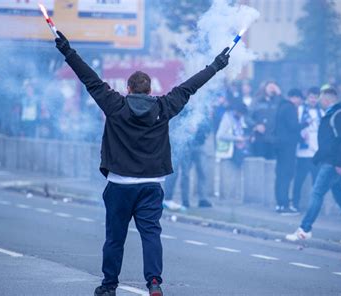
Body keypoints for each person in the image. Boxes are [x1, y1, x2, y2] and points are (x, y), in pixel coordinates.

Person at [54, 31, 230, 296]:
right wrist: (216, 65)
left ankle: (109, 285)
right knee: (151, 235)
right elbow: (190, 86)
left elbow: (89, 79)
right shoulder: (163, 107)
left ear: (128, 89)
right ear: (150, 91)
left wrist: (67, 51)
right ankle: (154, 283)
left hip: (119, 185)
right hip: (152, 184)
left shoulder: (115, 104)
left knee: (115, 238)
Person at [286, 88, 341, 244]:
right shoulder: (336, 113)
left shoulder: (339, 114)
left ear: (327, 100)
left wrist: (339, 163)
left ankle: (304, 229)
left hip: (333, 163)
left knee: (317, 193)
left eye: (321, 99)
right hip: (333, 161)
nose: (319, 102)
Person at [163, 119, 212, 209]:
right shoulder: (178, 113)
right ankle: (168, 198)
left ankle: (186, 201)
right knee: (175, 172)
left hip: (193, 144)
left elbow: (206, 125)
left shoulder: (198, 111)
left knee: (187, 174)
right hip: (179, 144)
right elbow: (172, 128)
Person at [292, 87, 324, 211]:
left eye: (316, 97)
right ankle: (295, 203)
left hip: (316, 152)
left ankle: (314, 206)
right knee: (299, 180)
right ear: (307, 97)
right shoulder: (300, 110)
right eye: (311, 97)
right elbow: (295, 127)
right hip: (303, 152)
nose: (313, 100)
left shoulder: (321, 112)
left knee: (316, 181)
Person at [274, 88, 302, 215]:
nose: (300, 102)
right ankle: (285, 205)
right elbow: (293, 126)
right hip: (288, 146)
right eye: (300, 99)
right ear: (295, 97)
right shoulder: (290, 108)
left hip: (280, 146)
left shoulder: (281, 106)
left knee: (280, 175)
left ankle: (279, 204)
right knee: (287, 175)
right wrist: (306, 124)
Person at [249, 81, 281, 159]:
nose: (272, 89)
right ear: (264, 88)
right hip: (260, 138)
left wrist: (279, 94)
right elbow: (247, 117)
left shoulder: (278, 101)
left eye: (274, 87)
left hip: (274, 138)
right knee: (260, 161)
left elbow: (286, 109)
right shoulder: (256, 101)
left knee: (272, 162)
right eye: (270, 87)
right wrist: (256, 125)